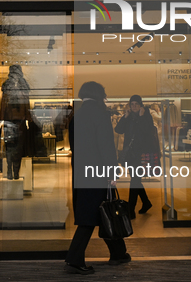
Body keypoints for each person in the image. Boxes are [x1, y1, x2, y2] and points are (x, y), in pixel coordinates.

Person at [65, 81, 130, 275]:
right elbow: (106, 147)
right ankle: (74, 259)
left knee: (103, 211)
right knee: (92, 216)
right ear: (99, 95)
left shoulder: (76, 117)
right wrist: (112, 172)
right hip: (97, 173)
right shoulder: (101, 115)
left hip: (81, 173)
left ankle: (118, 252)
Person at [114, 95, 155, 219]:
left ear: (141, 105)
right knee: (136, 179)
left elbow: (147, 131)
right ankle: (146, 202)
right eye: (132, 104)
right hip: (130, 154)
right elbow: (118, 130)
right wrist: (124, 117)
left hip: (141, 154)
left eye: (137, 104)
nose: (134, 107)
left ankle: (130, 209)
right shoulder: (129, 117)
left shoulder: (146, 117)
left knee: (135, 180)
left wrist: (142, 117)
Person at [0, 64, 31, 179]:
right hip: (12, 121)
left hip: (16, 121)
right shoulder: (10, 86)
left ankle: (14, 172)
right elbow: (3, 103)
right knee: (12, 147)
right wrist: (2, 119)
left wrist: (28, 118)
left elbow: (26, 103)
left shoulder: (20, 85)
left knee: (15, 147)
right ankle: (11, 171)